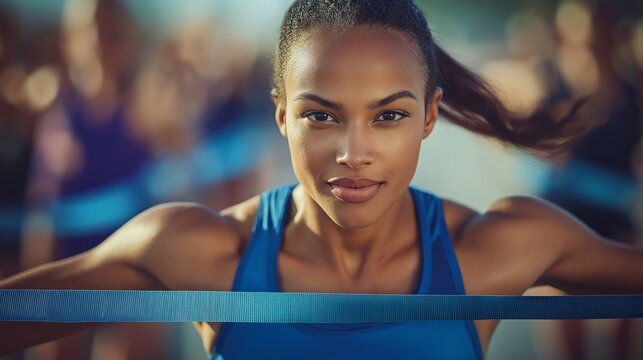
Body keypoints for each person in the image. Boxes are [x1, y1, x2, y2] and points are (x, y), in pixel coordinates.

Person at [1, 1, 642, 359]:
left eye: (389, 115)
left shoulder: (501, 247)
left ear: (427, 117)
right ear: (281, 115)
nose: (353, 153)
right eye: (321, 116)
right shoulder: (197, 250)